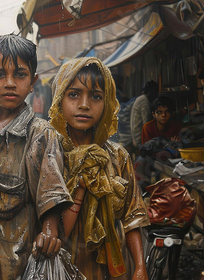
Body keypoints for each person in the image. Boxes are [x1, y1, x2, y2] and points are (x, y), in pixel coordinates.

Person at [0, 34, 72, 280]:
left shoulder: (40, 135)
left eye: (20, 75)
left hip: (19, 269)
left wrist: (49, 233)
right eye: (0, 75)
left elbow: (50, 204)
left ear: (32, 81)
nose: (10, 83)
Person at [49, 57, 150, 280]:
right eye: (73, 94)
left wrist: (140, 266)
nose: (84, 104)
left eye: (96, 97)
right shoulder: (50, 156)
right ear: (58, 99)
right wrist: (80, 189)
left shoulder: (117, 156)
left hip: (112, 266)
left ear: (107, 103)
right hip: (64, 265)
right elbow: (49, 226)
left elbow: (132, 216)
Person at [130, 80, 158, 150]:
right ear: (151, 91)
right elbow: (147, 123)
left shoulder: (142, 99)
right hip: (139, 139)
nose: (156, 95)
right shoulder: (144, 102)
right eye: (155, 92)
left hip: (137, 137)